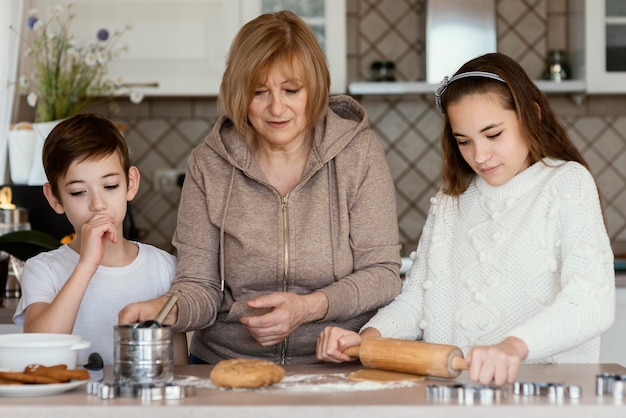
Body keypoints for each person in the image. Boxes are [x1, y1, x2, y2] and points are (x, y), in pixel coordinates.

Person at [118, 10, 402, 365]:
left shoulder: (357, 154)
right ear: (240, 94)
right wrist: (165, 308)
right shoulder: (209, 164)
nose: (276, 108)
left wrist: (308, 308)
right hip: (225, 365)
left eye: (291, 90)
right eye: (259, 92)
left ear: (314, 89)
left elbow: (384, 275)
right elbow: (199, 286)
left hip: (335, 364)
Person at [316, 52, 616, 385]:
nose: (479, 156)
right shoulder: (450, 203)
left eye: (493, 135)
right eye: (464, 141)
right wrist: (369, 337)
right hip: (455, 398)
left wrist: (515, 347)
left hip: (546, 399)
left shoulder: (566, 182)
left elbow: (592, 300)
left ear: (531, 116)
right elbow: (417, 301)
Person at [13, 113, 188, 365]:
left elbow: (178, 367)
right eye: (78, 192)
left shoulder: (164, 267)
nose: (98, 204)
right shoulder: (42, 269)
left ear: (130, 183)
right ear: (54, 198)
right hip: (69, 405)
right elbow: (39, 350)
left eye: (110, 186)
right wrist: (86, 265)